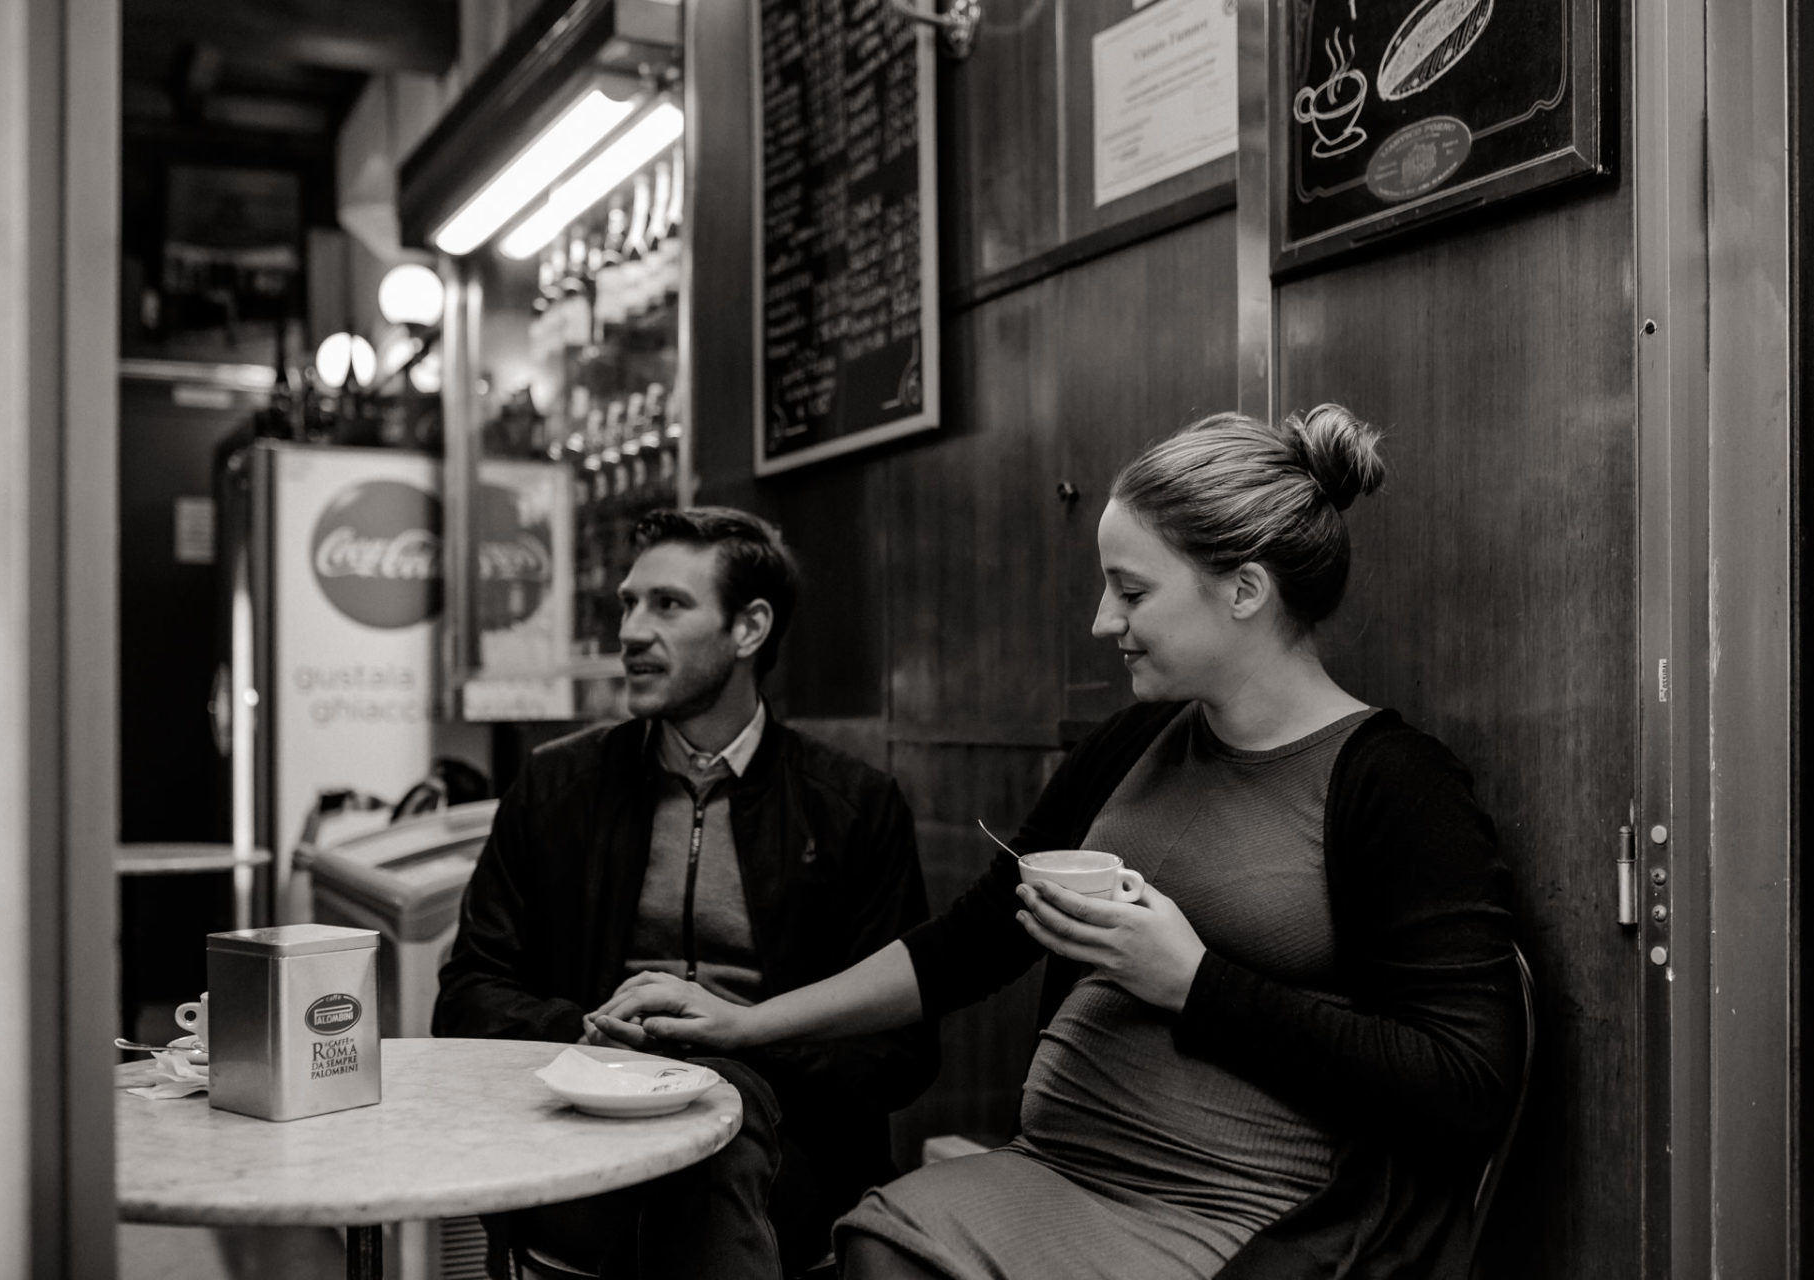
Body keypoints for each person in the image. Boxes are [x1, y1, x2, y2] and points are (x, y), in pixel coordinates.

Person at [589, 409, 1527, 1280]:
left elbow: (1467, 1083)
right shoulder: (1135, 740)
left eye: (1130, 590)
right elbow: (972, 942)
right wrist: (745, 1022)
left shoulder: (1395, 785)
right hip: (1059, 1169)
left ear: (1245, 590)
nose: (1101, 622)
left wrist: (1192, 982)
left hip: (1242, 1216)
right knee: (878, 1240)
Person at [433, 506, 939, 1280]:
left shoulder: (852, 804)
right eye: (628, 604)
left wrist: (737, 1038)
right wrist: (596, 1031)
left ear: (750, 628)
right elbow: (467, 994)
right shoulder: (556, 785)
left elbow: (902, 1052)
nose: (631, 631)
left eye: (667, 605)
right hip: (587, 1109)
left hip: (783, 1138)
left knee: (714, 1146)